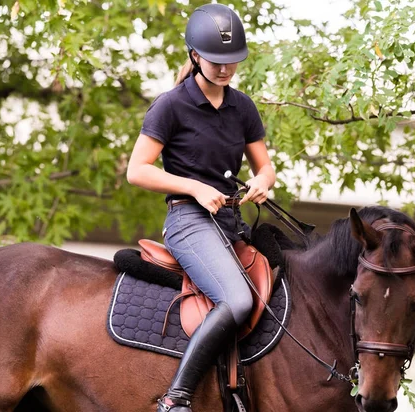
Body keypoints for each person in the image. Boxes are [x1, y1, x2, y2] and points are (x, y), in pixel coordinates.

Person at [126, 4, 276, 411]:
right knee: (238, 300)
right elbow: (136, 170)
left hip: (230, 221)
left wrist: (262, 182)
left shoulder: (242, 106)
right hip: (188, 221)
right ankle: (175, 399)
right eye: (217, 61)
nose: (226, 70)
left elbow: (265, 166)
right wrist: (193, 187)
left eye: (233, 62)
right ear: (195, 55)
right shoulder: (170, 105)